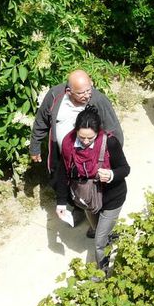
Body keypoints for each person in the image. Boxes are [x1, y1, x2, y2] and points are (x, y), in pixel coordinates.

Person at [29, 70, 124, 236]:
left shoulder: (98, 100)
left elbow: (114, 129)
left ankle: (98, 226)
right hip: (63, 156)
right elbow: (41, 121)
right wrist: (35, 146)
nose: (87, 95)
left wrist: (114, 158)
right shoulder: (54, 96)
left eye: (89, 90)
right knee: (64, 184)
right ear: (68, 91)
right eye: (81, 93)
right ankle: (79, 208)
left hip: (91, 158)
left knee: (93, 188)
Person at [60, 108, 129, 273]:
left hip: (111, 197)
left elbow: (125, 169)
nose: (85, 141)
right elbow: (62, 172)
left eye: (90, 138)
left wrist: (111, 174)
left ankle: (102, 272)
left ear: (98, 133)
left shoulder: (110, 143)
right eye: (81, 136)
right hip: (87, 199)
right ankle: (109, 234)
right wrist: (61, 202)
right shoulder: (68, 143)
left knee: (99, 242)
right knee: (99, 230)